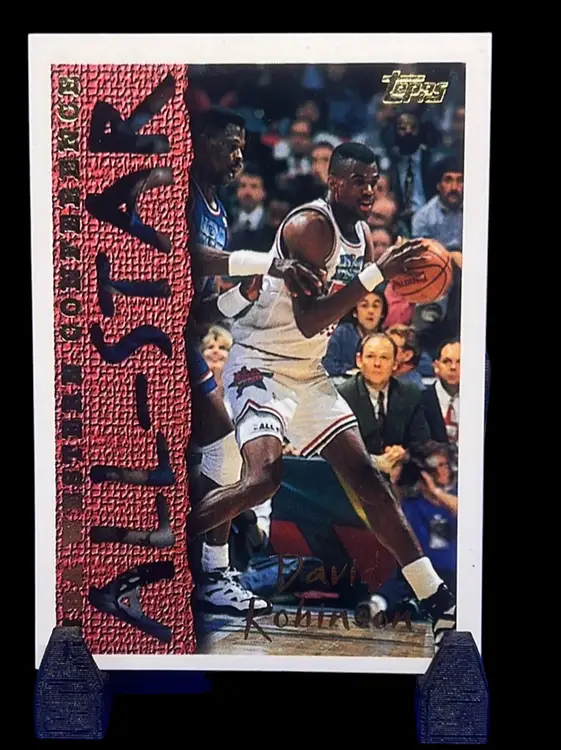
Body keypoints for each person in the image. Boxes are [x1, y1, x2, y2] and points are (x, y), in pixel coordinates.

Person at [187, 141, 456, 649]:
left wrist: (396, 278)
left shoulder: (361, 237)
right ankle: (165, 546)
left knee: (369, 481)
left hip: (307, 373)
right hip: (260, 365)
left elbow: (334, 312)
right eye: (358, 181)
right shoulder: (309, 227)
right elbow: (310, 320)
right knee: (264, 478)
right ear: (334, 182)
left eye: (374, 182)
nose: (369, 190)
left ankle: (435, 597)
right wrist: (379, 275)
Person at [182, 106, 325, 618]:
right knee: (218, 449)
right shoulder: (180, 196)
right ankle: (196, 565)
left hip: (182, 340)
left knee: (223, 450)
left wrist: (240, 296)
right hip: (151, 341)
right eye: (231, 145)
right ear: (201, 142)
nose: (239, 156)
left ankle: (211, 571)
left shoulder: (217, 209)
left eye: (243, 147)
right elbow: (183, 258)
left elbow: (201, 307)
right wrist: (266, 263)